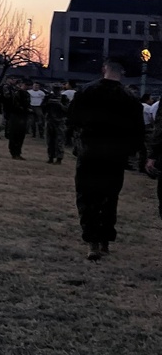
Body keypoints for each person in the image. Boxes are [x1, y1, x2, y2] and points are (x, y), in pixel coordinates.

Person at [67, 58, 144, 261]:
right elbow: (138, 130)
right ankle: (105, 240)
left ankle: (91, 241)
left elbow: (72, 118)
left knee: (86, 196)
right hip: (115, 155)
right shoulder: (130, 98)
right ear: (123, 72)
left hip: (89, 151)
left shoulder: (86, 91)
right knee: (109, 197)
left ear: (104, 70)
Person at [2, 76, 30, 161]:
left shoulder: (23, 93)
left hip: (20, 116)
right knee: (15, 135)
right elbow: (14, 104)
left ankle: (17, 152)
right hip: (16, 116)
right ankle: (15, 152)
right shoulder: (16, 93)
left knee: (19, 136)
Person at [43, 84, 68, 164]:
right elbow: (43, 107)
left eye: (57, 89)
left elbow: (67, 109)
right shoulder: (48, 97)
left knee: (59, 140)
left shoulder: (64, 98)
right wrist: (48, 103)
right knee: (50, 140)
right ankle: (50, 157)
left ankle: (59, 158)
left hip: (60, 121)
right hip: (50, 120)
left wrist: (60, 104)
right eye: (55, 89)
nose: (56, 91)